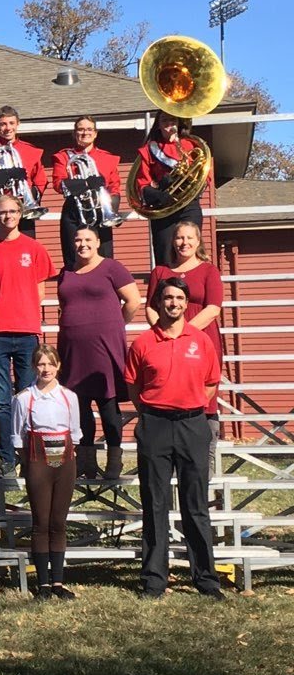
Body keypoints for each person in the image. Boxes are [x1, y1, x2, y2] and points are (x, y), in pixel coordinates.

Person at [123, 277, 224, 600]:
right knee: (155, 503)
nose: (174, 303)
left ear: (185, 302)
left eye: (179, 298)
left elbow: (210, 384)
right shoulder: (142, 343)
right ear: (159, 303)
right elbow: (134, 388)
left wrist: (187, 405)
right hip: (155, 425)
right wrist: (155, 412)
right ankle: (154, 580)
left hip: (193, 424)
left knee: (196, 506)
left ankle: (205, 579)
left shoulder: (201, 340)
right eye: (168, 298)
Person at [0, 194, 55, 477]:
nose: (7, 216)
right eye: (2, 212)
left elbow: (41, 290)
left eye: (12, 211)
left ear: (21, 214)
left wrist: (29, 316)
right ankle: (7, 457)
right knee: (3, 399)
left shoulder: (34, 248)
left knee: (29, 396)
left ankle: (30, 453)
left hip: (27, 331)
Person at [57, 228, 139, 480]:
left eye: (88, 240)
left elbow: (133, 301)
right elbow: (65, 305)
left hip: (105, 348)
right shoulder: (66, 272)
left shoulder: (112, 267)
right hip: (73, 350)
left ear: (98, 243)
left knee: (108, 406)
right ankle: (86, 461)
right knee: (79, 407)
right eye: (78, 239)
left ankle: (114, 460)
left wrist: (114, 325)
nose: (82, 244)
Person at [147, 221, 225, 452]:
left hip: (202, 341)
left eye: (190, 238)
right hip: (165, 342)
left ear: (198, 241)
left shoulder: (209, 270)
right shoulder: (161, 272)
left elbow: (213, 308)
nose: (184, 243)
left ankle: (203, 456)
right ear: (173, 241)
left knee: (202, 395)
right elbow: (151, 307)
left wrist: (184, 333)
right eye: (180, 238)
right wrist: (163, 333)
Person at [11, 345, 82, 599]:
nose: (46, 369)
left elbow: (75, 432)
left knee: (58, 522)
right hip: (37, 460)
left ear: (58, 366)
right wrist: (29, 463)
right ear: (34, 367)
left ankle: (58, 583)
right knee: (41, 522)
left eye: (50, 364)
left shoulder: (69, 397)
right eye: (41, 364)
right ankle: (42, 584)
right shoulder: (24, 398)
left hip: (64, 461)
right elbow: (18, 436)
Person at [134, 111, 205, 267]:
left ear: (179, 123)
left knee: (191, 252)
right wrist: (159, 194)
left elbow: (205, 176)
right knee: (165, 254)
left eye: (173, 120)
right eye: (164, 120)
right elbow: (142, 184)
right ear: (158, 125)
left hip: (188, 206)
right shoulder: (149, 149)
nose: (169, 124)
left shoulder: (192, 145)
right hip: (164, 207)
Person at [52, 115, 122, 270]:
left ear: (96, 133)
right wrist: (86, 184)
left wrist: (113, 211)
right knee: (73, 259)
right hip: (74, 213)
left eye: (89, 129)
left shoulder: (107, 158)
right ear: (74, 133)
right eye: (81, 129)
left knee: (104, 260)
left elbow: (114, 186)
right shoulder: (63, 156)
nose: (85, 133)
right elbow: (59, 184)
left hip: (101, 212)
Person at [0, 105, 47, 239]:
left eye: (11, 123)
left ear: (18, 124)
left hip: (24, 206)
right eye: (3, 124)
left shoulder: (31, 150)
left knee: (25, 249)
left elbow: (41, 180)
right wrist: (4, 175)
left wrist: (31, 199)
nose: (8, 128)